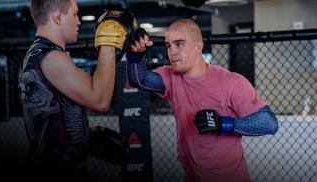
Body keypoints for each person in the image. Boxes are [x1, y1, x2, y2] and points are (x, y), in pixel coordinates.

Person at [126, 19, 278, 182]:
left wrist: (223, 124)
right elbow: (139, 79)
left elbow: (269, 123)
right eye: (169, 45)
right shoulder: (171, 77)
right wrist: (135, 55)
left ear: (198, 46)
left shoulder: (231, 81)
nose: (172, 52)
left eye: (179, 44)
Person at [18, 0, 134, 181]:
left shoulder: (39, 54)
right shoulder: (52, 58)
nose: (79, 21)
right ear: (58, 17)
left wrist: (83, 137)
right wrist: (109, 44)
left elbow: (51, 117)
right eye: (74, 14)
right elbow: (100, 100)